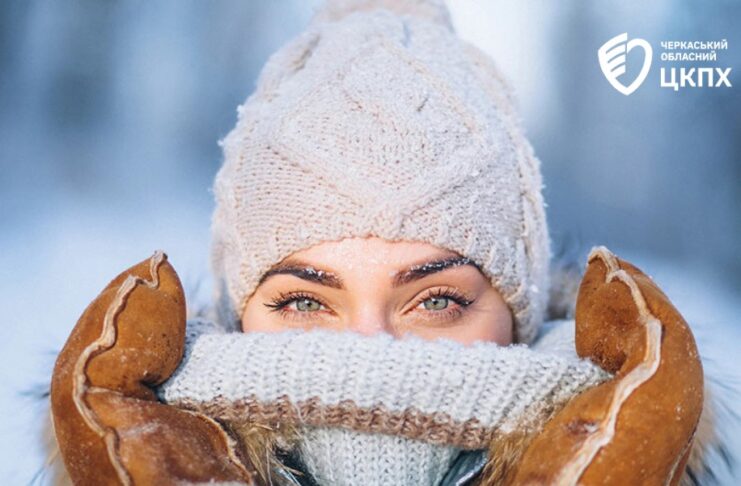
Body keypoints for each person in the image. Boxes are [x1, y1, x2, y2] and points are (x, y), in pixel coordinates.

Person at [45, 1, 726, 484]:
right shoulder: (128, 456)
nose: (367, 351)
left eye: (437, 300)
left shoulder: (632, 453)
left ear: (519, 320)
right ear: (235, 316)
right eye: (304, 302)